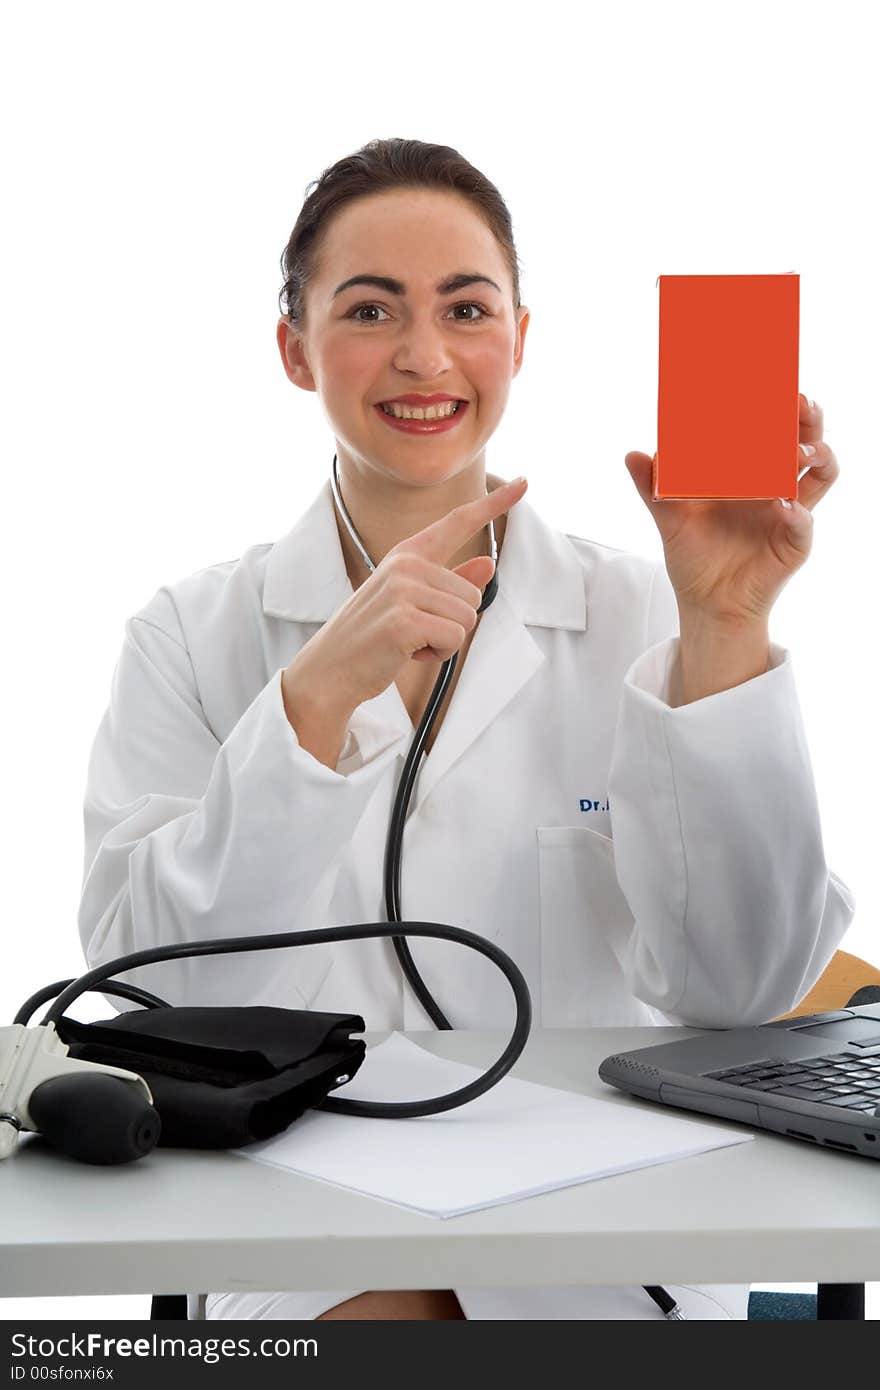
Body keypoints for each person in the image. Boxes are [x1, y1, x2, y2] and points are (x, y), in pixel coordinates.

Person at [77, 137, 855, 1322]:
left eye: (466, 306)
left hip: (604, 1227)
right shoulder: (190, 633)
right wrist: (314, 700)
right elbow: (154, 992)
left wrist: (726, 621)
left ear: (522, 340)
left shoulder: (642, 608)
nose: (425, 355)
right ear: (296, 350)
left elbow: (744, 987)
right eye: (371, 307)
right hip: (288, 1220)